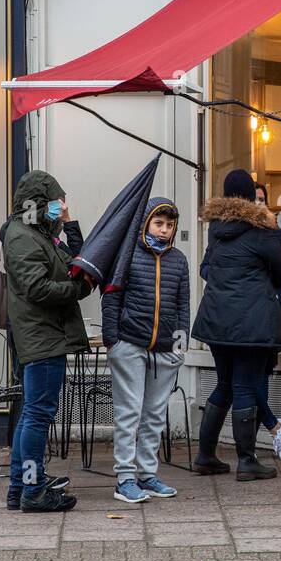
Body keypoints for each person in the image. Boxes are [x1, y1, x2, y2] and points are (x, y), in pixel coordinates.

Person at [192, 169, 281, 481]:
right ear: (252, 196)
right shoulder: (261, 231)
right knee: (243, 387)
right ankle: (247, 460)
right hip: (250, 323)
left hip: (216, 321)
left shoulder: (216, 229)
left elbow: (208, 270)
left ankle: (205, 455)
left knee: (224, 384)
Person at [2, 170, 93, 512]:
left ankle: (19, 487)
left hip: (44, 337)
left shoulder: (37, 233)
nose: (62, 207)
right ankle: (33, 489)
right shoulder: (23, 236)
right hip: (42, 339)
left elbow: (81, 260)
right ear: (36, 204)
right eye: (57, 202)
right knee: (38, 417)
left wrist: (69, 222)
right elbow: (37, 288)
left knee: (30, 416)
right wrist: (77, 290)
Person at [102, 197, 190, 503]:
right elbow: (111, 297)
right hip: (130, 345)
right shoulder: (127, 255)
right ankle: (125, 478)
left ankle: (148, 475)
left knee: (154, 415)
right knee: (129, 413)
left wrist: (180, 347)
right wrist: (113, 341)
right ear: (145, 224)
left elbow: (182, 305)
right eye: (159, 224)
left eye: (169, 225)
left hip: (165, 350)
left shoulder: (178, 260)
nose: (164, 230)